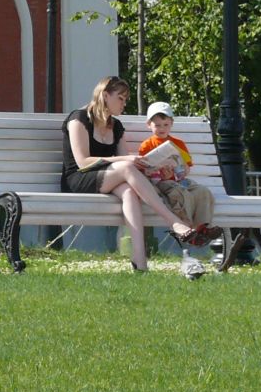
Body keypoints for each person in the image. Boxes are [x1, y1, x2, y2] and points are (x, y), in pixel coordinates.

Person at [60, 76, 197, 270]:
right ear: (105, 95)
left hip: (110, 178)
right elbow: (83, 162)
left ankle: (140, 262)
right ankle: (173, 222)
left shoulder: (116, 125)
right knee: (125, 168)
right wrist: (125, 161)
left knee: (130, 192)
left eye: (126, 99)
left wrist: (152, 165)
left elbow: (127, 162)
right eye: (120, 98)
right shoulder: (79, 119)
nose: (124, 104)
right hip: (79, 178)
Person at [139, 101, 218, 246]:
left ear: (171, 124)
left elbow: (186, 168)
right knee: (180, 192)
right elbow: (145, 168)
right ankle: (187, 228)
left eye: (165, 125)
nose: (162, 128)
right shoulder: (147, 145)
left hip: (178, 179)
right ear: (149, 125)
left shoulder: (178, 143)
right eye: (157, 125)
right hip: (160, 182)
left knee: (202, 191)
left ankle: (202, 228)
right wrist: (158, 171)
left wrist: (177, 170)